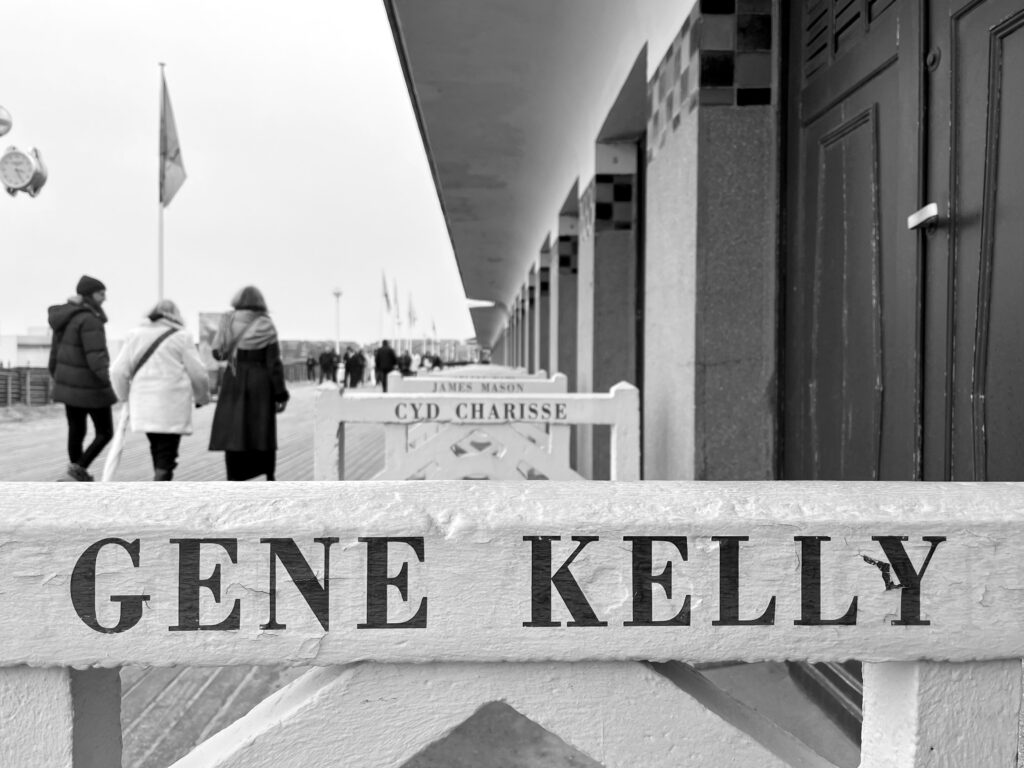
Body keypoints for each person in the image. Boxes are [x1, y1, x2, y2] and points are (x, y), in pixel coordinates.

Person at [110, 300, 211, 480]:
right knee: (166, 453)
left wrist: (125, 397)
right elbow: (199, 373)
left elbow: (117, 371)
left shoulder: (135, 335)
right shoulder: (181, 337)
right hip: (171, 406)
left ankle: (160, 482)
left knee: (157, 448)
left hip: (144, 405)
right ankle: (160, 488)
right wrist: (202, 398)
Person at [208, 286, 289, 481]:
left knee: (234, 427)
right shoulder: (265, 324)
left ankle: (234, 475)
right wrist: (280, 394)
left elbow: (218, 353)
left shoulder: (227, 320)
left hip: (234, 377)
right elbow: (274, 363)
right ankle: (266, 473)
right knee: (260, 428)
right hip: (260, 382)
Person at [48, 275, 117, 481]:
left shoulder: (65, 316)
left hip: (68, 385)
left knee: (76, 429)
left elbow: (54, 353)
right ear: (89, 295)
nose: (104, 298)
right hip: (91, 386)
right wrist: (110, 382)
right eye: (101, 293)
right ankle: (78, 469)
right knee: (105, 432)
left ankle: (76, 472)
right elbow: (96, 356)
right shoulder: (89, 319)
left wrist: (59, 377)